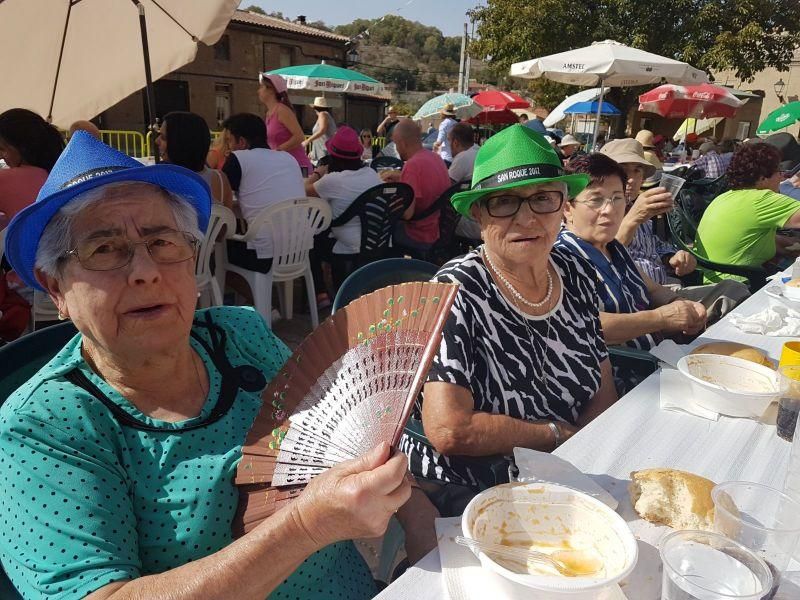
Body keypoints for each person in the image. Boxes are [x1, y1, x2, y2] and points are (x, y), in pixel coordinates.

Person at [0, 131, 415, 599]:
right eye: (105, 250)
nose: (145, 270)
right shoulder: (45, 425)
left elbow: (349, 433)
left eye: (162, 241)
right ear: (54, 287)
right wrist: (305, 527)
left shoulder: (239, 335)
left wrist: (429, 548)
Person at [399, 125, 617, 516]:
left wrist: (585, 451)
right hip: (476, 485)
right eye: (503, 202)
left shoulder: (574, 269)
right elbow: (451, 430)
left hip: (573, 466)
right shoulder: (454, 292)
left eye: (542, 199)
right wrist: (554, 437)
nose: (527, 218)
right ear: (478, 214)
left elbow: (603, 383)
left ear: (563, 205)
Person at [695, 142, 800, 280]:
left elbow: (755, 240)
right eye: (779, 172)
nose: (782, 177)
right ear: (762, 178)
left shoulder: (725, 197)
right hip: (739, 288)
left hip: (709, 282)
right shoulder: (761, 199)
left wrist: (791, 244)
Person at [601, 138, 694, 285]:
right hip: (633, 296)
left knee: (733, 289)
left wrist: (673, 257)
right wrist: (633, 219)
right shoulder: (598, 212)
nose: (631, 179)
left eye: (637, 170)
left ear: (643, 179)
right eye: (622, 170)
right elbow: (601, 257)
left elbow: (655, 246)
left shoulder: (637, 208)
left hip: (663, 288)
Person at [305, 126, 382, 301]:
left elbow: (303, 190)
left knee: (311, 241)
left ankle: (321, 293)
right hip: (374, 241)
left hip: (348, 243)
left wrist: (318, 173)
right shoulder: (371, 173)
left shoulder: (334, 181)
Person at [221, 113, 304, 274]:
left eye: (230, 140)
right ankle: (260, 294)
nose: (228, 146)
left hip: (262, 255)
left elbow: (220, 198)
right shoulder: (288, 158)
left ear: (242, 142)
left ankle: (253, 297)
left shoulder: (238, 158)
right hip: (298, 249)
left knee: (217, 253)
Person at [380, 119, 450, 252]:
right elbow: (427, 182)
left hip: (417, 235)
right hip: (437, 229)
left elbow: (407, 214)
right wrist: (402, 177)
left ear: (402, 143)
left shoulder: (412, 166)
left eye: (395, 144)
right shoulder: (436, 158)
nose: (396, 148)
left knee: (381, 231)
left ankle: (389, 269)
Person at [156, 111, 233, 209]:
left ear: (180, 143)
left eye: (163, 138)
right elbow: (228, 219)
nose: (156, 141)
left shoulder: (161, 181)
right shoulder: (220, 179)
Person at [0, 108, 64, 221]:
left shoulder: (8, 179)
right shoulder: (60, 175)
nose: (0, 156)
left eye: (2, 149)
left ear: (22, 147)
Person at [258, 72, 313, 174]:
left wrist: (278, 150)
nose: (258, 91)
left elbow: (299, 136)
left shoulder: (282, 110)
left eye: (262, 87)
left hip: (297, 166)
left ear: (271, 90)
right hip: (283, 166)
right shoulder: (270, 112)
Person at [302, 96, 337, 165]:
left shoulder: (322, 114)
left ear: (315, 108)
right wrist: (313, 152)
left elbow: (322, 130)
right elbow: (322, 137)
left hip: (324, 153)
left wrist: (307, 141)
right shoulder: (325, 115)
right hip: (323, 152)